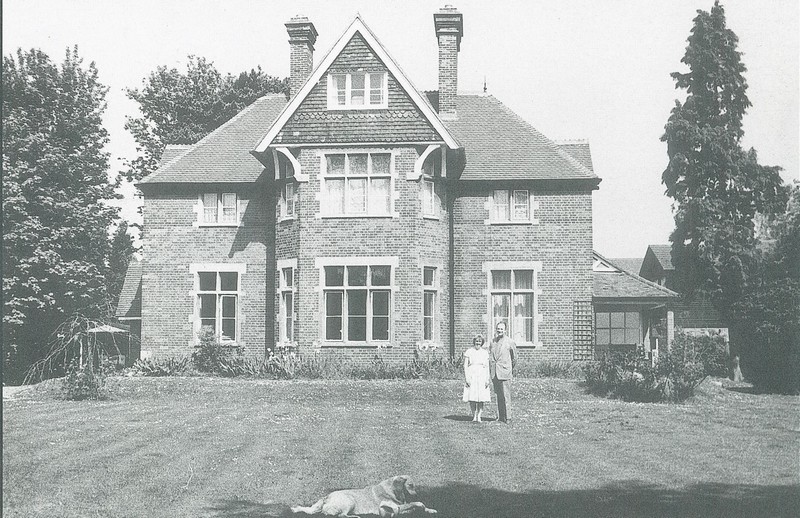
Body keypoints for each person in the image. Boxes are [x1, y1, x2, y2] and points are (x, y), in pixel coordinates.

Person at [489, 321, 517, 424]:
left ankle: (508, 417)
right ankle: (501, 416)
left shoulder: (510, 342)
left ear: (505, 330)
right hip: (495, 373)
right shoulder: (493, 342)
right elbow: (491, 356)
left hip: (505, 372)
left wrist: (508, 368)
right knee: (498, 395)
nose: (499, 330)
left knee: (506, 395)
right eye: (498, 328)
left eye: (501, 329)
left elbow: (514, 359)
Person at [462, 334, 490, 423]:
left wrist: (487, 379)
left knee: (481, 397)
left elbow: (487, 366)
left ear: (482, 343)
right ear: (474, 342)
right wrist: (467, 378)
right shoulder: (469, 351)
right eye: (476, 341)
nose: (478, 343)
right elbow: (465, 366)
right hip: (472, 374)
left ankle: (479, 416)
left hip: (482, 374)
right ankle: (474, 415)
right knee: (472, 396)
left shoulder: (485, 353)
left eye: (480, 341)